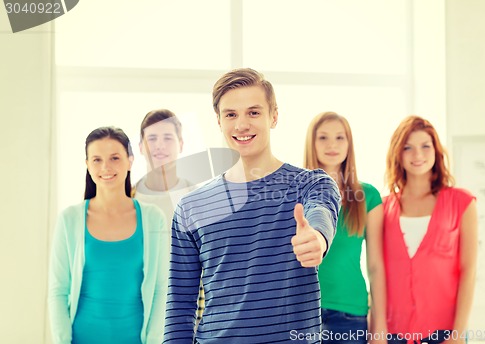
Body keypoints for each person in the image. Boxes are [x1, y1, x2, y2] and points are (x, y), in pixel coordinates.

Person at [163, 68, 341, 343]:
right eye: (231, 114)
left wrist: (317, 238)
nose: (241, 125)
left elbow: (321, 212)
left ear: (274, 116)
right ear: (219, 121)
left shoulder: (310, 184)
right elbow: (179, 306)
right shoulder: (191, 207)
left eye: (254, 112)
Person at [48, 127, 168, 344]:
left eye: (115, 158)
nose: (106, 167)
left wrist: (154, 340)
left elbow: (161, 288)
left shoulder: (153, 218)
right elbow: (58, 290)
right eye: (96, 159)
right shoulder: (69, 219)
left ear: (130, 160)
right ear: (87, 164)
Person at [383, 116, 477, 344]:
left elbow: (469, 272)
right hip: (393, 334)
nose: (418, 155)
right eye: (408, 148)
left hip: (445, 333)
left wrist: (457, 335)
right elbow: (377, 272)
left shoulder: (462, 203)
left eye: (425, 146)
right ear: (398, 153)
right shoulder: (383, 208)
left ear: (436, 151)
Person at [304, 112, 387, 344]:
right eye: (323, 138)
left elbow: (376, 266)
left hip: (350, 314)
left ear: (349, 144)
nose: (332, 144)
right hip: (301, 312)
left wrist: (379, 328)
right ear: (312, 143)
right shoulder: (293, 191)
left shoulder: (368, 196)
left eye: (340, 138)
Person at [133, 109, 204, 324]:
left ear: (181, 144)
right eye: (152, 138)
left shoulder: (197, 198)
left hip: (187, 315)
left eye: (168, 138)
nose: (160, 145)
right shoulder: (127, 198)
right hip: (138, 313)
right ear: (140, 147)